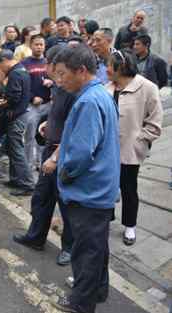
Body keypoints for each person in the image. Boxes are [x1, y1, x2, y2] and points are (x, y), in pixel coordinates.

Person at [51, 45, 120, 313]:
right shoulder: (98, 94)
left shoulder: (89, 101)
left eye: (62, 74)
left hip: (89, 191)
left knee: (86, 252)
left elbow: (80, 153)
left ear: (81, 71)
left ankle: (81, 303)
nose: (59, 80)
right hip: (100, 188)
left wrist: (65, 173)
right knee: (96, 248)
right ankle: (96, 290)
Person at [13, 45, 75, 266]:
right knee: (41, 197)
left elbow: (73, 127)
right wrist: (47, 124)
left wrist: (56, 157)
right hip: (50, 147)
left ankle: (69, 247)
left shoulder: (71, 89)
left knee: (65, 203)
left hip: (63, 153)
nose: (45, 67)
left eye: (49, 63)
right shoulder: (57, 87)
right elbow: (58, 116)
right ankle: (36, 237)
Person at [106, 49, 163, 245]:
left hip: (130, 150)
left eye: (109, 65)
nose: (106, 69)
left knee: (128, 188)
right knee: (107, 186)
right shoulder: (107, 88)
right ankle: (107, 218)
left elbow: (155, 124)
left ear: (120, 67)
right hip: (106, 150)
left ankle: (130, 226)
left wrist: (140, 140)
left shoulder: (147, 88)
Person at [0, 50, 35, 196]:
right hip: (21, 114)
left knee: (17, 151)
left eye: (0, 65)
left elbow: (14, 97)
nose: (1, 68)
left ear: (5, 60)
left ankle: (27, 184)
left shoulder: (15, 73)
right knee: (13, 150)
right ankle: (15, 179)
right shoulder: (22, 69)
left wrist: (1, 104)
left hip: (16, 116)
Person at [22, 34, 52, 170]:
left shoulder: (49, 63)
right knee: (29, 136)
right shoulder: (24, 63)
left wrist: (52, 82)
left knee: (45, 135)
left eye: (41, 44)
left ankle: (42, 163)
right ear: (30, 45)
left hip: (48, 105)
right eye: (36, 44)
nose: (39, 47)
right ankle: (28, 165)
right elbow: (22, 85)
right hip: (32, 106)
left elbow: (59, 80)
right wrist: (32, 97)